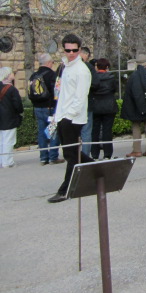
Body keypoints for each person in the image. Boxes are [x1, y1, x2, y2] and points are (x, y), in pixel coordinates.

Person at [47, 34, 94, 203]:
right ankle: (97, 169)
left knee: (71, 154)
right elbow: (62, 95)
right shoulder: (65, 67)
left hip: (72, 118)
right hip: (62, 116)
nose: (71, 53)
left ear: (79, 49)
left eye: (74, 50)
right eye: (68, 50)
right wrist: (57, 116)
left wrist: (68, 116)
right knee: (72, 153)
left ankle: (65, 190)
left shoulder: (82, 70)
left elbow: (80, 97)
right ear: (64, 50)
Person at [29, 53, 64, 165]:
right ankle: (53, 157)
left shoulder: (33, 75)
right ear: (49, 63)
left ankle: (43, 158)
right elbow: (57, 92)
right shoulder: (52, 75)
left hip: (38, 108)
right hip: (50, 108)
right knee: (53, 131)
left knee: (41, 132)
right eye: (52, 62)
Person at [122, 54, 146, 158]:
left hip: (136, 105)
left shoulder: (134, 75)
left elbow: (133, 92)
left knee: (136, 126)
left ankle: (137, 150)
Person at [90, 58, 118, 160]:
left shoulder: (93, 78)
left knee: (95, 131)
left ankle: (94, 154)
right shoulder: (111, 78)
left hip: (96, 105)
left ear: (97, 67)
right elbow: (114, 89)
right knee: (107, 131)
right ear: (107, 67)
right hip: (109, 106)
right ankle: (107, 154)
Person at [0, 67, 23, 169]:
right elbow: (18, 105)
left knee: (1, 141)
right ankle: (8, 162)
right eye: (12, 73)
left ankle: (2, 161)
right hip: (9, 118)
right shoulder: (11, 89)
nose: (13, 74)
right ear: (8, 75)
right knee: (9, 141)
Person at [79, 46, 99, 156]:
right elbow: (96, 84)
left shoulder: (65, 66)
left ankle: (73, 156)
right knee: (86, 131)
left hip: (70, 104)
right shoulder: (88, 67)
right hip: (86, 102)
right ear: (85, 54)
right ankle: (85, 156)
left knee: (73, 132)